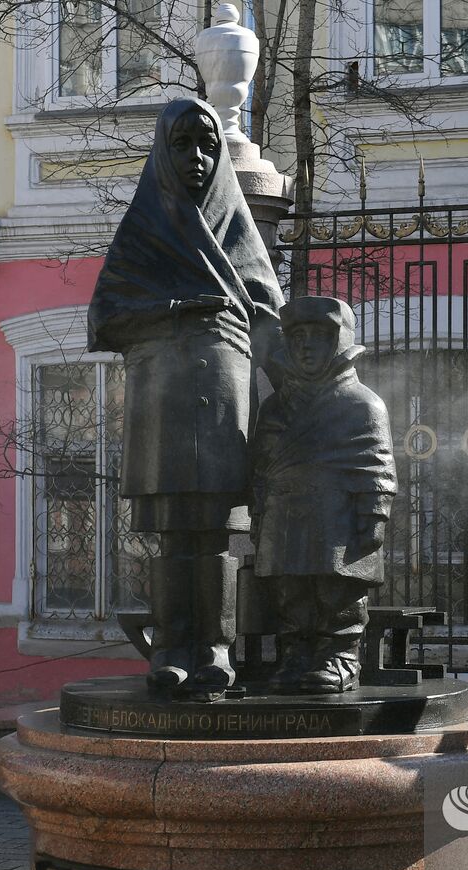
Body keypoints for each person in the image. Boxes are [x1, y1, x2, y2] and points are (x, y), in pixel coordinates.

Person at [88, 98, 284, 697]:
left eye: (207, 145)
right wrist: (178, 310)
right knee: (174, 533)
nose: (197, 158)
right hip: (163, 403)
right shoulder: (146, 227)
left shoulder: (234, 226)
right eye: (183, 145)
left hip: (225, 402)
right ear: (162, 152)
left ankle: (215, 650)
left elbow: (268, 312)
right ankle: (170, 649)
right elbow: (105, 319)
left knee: (217, 534)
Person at [249, 297, 396, 693]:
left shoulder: (362, 403)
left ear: (340, 341)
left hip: (338, 519)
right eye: (298, 337)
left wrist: (375, 515)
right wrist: (259, 514)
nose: (307, 346)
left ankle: (341, 654)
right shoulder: (275, 409)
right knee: (288, 591)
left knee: (336, 591)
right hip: (283, 517)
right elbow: (261, 469)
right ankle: (295, 651)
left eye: (318, 336)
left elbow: (377, 464)